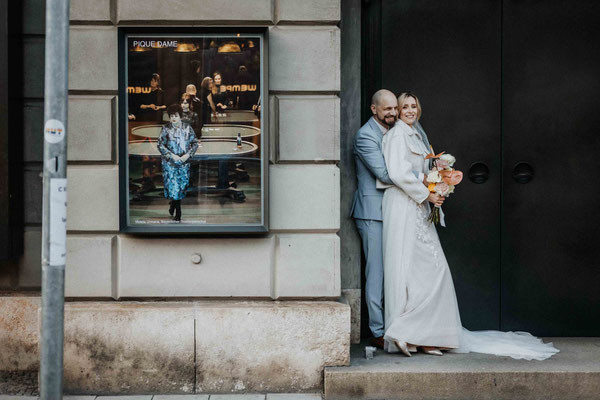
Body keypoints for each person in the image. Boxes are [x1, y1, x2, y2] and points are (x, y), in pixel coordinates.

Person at [379, 92, 559, 360]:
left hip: (417, 206)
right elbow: (398, 173)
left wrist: (437, 184)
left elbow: (419, 171)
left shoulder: (415, 134)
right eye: (404, 106)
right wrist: (427, 192)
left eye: (413, 106)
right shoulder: (396, 136)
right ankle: (408, 333)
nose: (409, 110)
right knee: (408, 268)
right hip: (404, 207)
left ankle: (426, 335)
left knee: (428, 271)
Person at [157, 104, 199, 222]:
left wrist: (187, 155)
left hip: (184, 162)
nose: (173, 118)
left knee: (181, 187)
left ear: (180, 116)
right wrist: (171, 156)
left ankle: (173, 205)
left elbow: (195, 143)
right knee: (174, 186)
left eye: (175, 116)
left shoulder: (187, 128)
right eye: (171, 116)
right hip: (170, 163)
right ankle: (178, 212)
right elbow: (160, 144)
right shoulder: (165, 128)